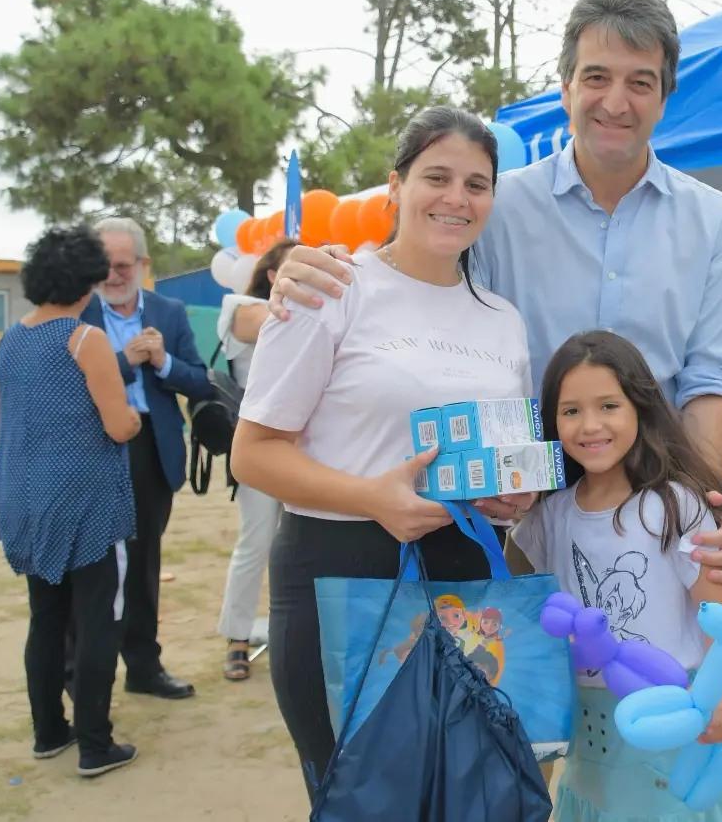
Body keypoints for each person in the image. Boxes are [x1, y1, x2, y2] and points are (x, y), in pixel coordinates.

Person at [268, 0, 722, 580]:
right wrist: (312, 271)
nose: (616, 101)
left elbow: (712, 382)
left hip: (656, 511)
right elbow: (414, 285)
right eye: (597, 77)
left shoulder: (714, 222)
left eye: (640, 82)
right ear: (566, 87)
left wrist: (695, 513)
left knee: (658, 672)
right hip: (517, 518)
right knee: (529, 669)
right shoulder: (496, 207)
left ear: (664, 96)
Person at [230, 107, 539, 795]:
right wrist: (373, 497)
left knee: (466, 789)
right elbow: (253, 454)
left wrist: (515, 495)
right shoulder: (330, 287)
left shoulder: (503, 318)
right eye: (437, 176)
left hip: (464, 574)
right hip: (342, 570)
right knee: (361, 793)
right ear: (394, 186)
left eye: (477, 184)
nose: (457, 198)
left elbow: (506, 451)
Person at [512, 330, 722, 821]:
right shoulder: (546, 518)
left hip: (672, 718)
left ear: (639, 409)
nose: (590, 425)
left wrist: (719, 689)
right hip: (589, 728)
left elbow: (718, 611)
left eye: (608, 406)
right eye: (571, 410)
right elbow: (518, 598)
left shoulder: (673, 504)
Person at [0, 225, 141, 777]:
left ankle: (49, 732)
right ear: (86, 281)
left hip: (21, 498)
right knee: (99, 619)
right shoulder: (84, 339)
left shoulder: (10, 339)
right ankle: (96, 745)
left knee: (46, 619)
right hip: (84, 505)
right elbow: (119, 426)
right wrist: (129, 417)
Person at [81, 217, 213, 700]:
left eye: (121, 265)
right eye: (103, 267)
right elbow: (67, 381)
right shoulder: (76, 311)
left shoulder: (169, 312)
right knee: (91, 566)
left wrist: (163, 363)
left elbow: (200, 380)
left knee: (143, 564)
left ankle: (144, 667)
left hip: (151, 450)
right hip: (94, 449)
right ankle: (82, 678)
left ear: (142, 265)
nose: (112, 276)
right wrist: (124, 361)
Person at [215, 238, 298, 681]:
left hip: (310, 448)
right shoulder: (239, 306)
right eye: (297, 265)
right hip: (262, 447)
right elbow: (263, 321)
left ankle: (303, 635)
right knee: (256, 541)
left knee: (306, 543)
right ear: (272, 274)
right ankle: (238, 638)